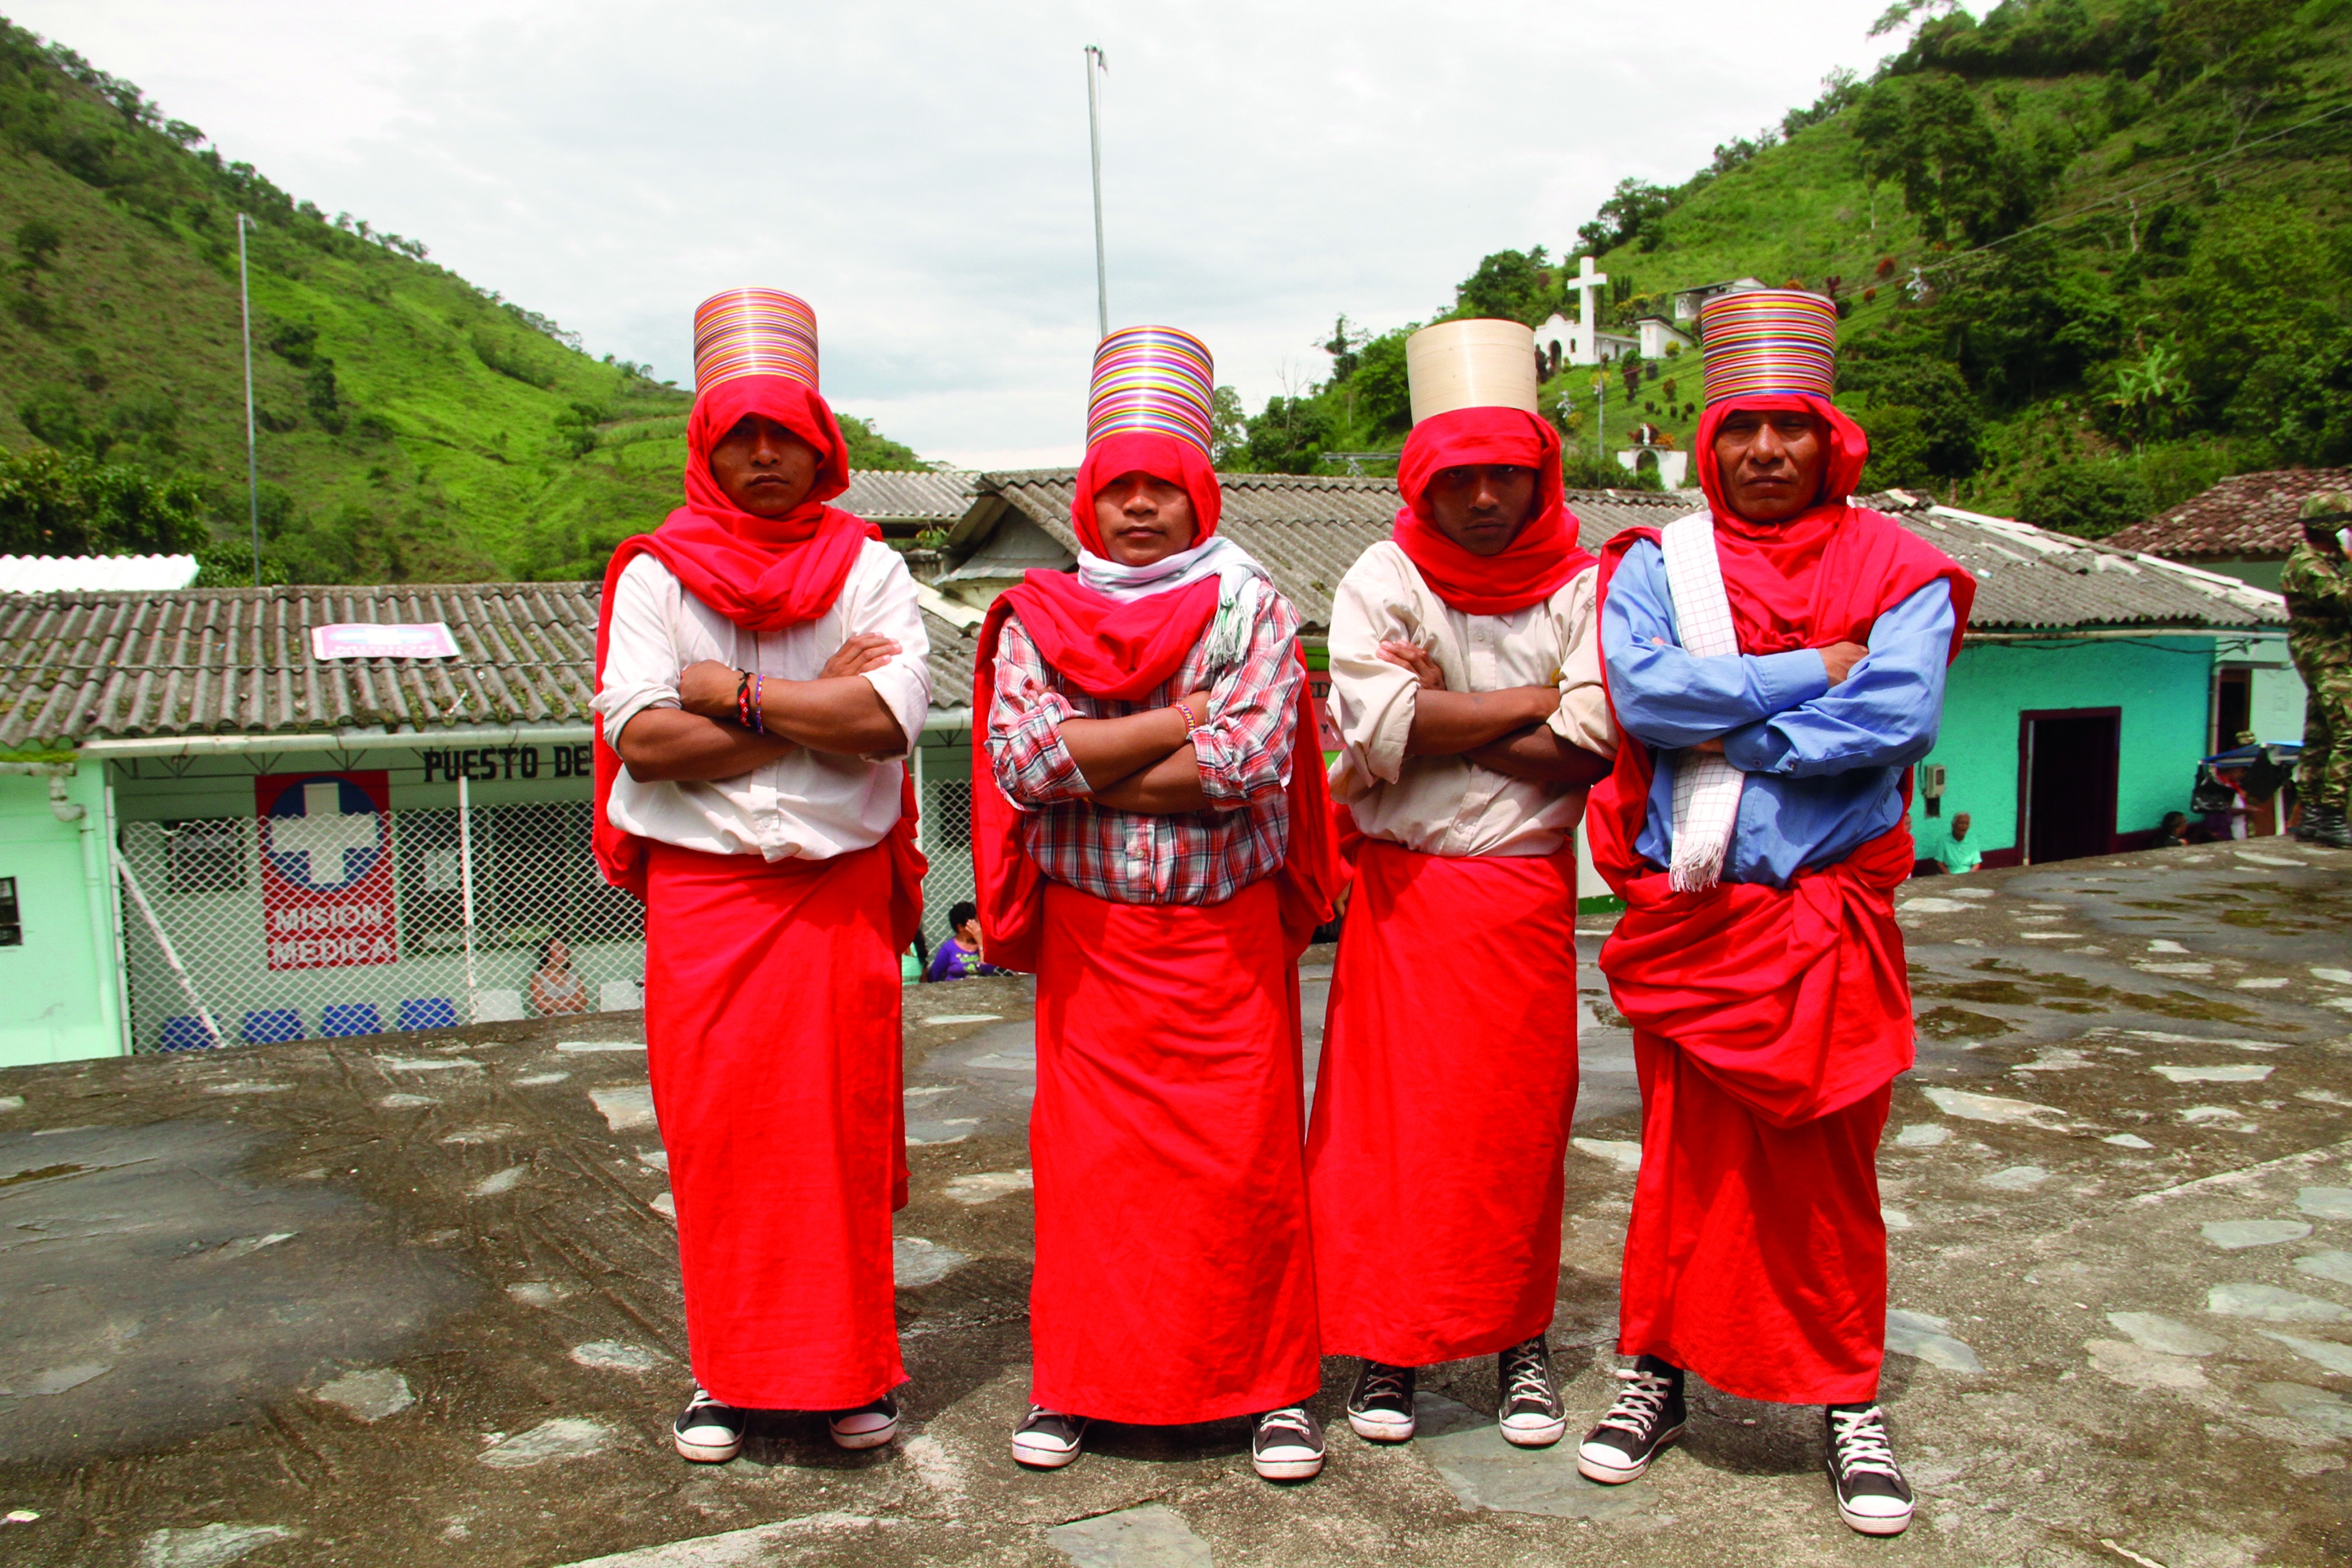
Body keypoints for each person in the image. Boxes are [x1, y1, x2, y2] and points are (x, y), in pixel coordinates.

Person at [1577, 291, 1975, 1538]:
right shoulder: (1656, 565)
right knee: (1680, 1172)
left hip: (1825, 922)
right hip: (1701, 923)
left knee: (1827, 1177)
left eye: (1787, 429)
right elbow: (1644, 696)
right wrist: (1811, 670)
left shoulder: (1898, 569)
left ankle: (1846, 1400)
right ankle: (1660, 1376)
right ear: (1711, 443)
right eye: (1740, 428)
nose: (1763, 452)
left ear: (1830, 438)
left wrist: (1731, 720)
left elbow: (1896, 717)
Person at [975, 326, 1340, 1484]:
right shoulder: (1036, 612)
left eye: (1162, 487)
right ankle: (1078, 1385)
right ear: (1087, 499)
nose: (1139, 507)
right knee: (1095, 1182)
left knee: (1243, 1174)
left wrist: (1101, 746)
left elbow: (1252, 765)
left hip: (1223, 946)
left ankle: (1272, 1392)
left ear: (1199, 497)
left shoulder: (1254, 607)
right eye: (1118, 486)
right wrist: (1182, 720)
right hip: (1097, 947)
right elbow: (1020, 763)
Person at [591, 288, 932, 1464]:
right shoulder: (652, 574)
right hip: (709, 902)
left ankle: (849, 1372)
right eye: (736, 431)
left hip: (830, 898)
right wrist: (809, 708)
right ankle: (725, 1377)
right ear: (704, 446)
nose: (762, 451)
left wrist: (724, 693)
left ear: (822, 440)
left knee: (834, 1139)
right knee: (722, 1142)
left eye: (782, 430)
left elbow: (886, 724)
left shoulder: (868, 566)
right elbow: (643, 743)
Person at [1307, 318, 1615, 1449]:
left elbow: (1591, 743)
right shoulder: (1382, 575)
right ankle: (1389, 1344)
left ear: (1541, 472)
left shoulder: (1583, 584)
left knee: (1516, 1132)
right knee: (1392, 1135)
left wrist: (1442, 720)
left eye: (1507, 472)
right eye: (1460, 476)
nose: (1485, 497)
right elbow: (1372, 723)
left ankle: (1517, 1340)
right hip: (1400, 898)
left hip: (1522, 894)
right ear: (1420, 482)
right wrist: (1530, 701)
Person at [2285, 491, 2351, 849]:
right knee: (2349, 734)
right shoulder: (2309, 566)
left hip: (2329, 657)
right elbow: (2346, 602)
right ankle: (2332, 815)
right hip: (2329, 658)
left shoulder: (2322, 561)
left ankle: (2312, 813)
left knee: (2321, 735)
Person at [922, 901, 1004, 982]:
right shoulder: (949, 948)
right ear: (960, 927)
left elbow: (988, 970)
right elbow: (934, 976)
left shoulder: (985, 944)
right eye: (975, 922)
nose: (979, 926)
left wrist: (981, 942)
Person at [529, 935, 591, 1015]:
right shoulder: (538, 978)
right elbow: (543, 1006)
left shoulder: (574, 976)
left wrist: (557, 1006)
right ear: (547, 953)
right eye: (558, 950)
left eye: (565, 950)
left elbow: (583, 1002)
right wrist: (571, 999)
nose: (564, 953)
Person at [1934, 811, 1980, 875]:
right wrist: (1950, 877)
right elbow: (1939, 862)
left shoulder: (1973, 841)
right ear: (1953, 825)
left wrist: (1970, 877)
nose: (1964, 826)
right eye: (1961, 823)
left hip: (1968, 875)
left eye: (1966, 823)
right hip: (1949, 875)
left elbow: (1977, 863)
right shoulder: (1943, 840)